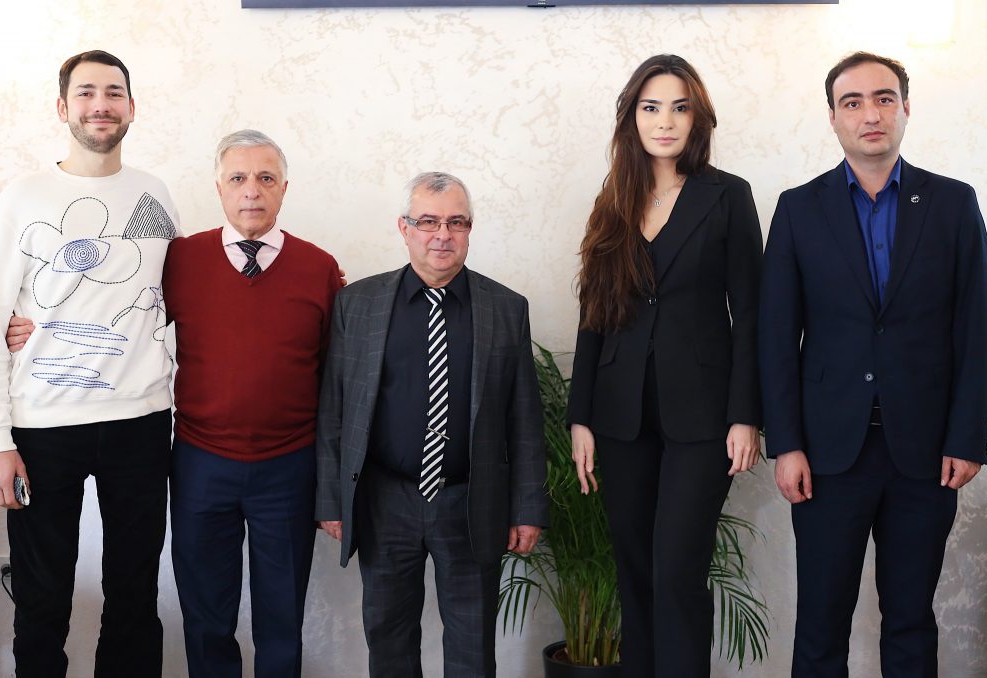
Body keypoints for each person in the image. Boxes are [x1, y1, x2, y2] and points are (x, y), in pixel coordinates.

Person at [759, 52, 987, 677]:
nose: (871, 113)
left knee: (912, 621)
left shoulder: (952, 203)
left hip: (927, 454)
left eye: (884, 98)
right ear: (833, 117)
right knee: (820, 624)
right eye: (853, 102)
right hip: (826, 455)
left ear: (906, 108)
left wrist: (967, 438)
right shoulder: (798, 209)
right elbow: (776, 336)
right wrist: (786, 443)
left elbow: (977, 329)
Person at [0, 50, 179, 677]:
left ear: (131, 107)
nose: (100, 105)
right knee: (41, 602)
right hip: (43, 427)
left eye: (113, 93)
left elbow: (176, 296)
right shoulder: (24, 197)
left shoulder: (154, 193)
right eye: (86, 93)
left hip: (141, 422)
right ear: (63, 107)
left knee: (135, 597)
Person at [566, 54, 762, 678]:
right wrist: (579, 417)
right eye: (651, 108)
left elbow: (750, 314)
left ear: (697, 117)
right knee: (636, 572)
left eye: (679, 108)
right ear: (632, 117)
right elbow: (594, 312)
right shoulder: (613, 199)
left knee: (677, 569)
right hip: (618, 415)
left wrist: (746, 414)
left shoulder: (727, 195)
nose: (665, 121)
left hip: (702, 417)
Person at [315, 171, 547, 678]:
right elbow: (334, 409)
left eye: (456, 222)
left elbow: (524, 419)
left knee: (472, 643)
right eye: (428, 222)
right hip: (384, 501)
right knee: (388, 637)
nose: (442, 235)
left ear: (469, 230)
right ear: (404, 228)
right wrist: (332, 500)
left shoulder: (506, 309)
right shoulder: (358, 304)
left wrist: (528, 508)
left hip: (471, 501)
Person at [161, 129, 341, 678]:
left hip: (289, 466)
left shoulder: (319, 268)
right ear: (219, 188)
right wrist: (30, 325)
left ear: (284, 188)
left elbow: (337, 376)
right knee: (206, 615)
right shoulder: (179, 260)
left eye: (265, 178)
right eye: (238, 178)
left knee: (281, 616)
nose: (251, 190)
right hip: (200, 462)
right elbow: (119, 318)